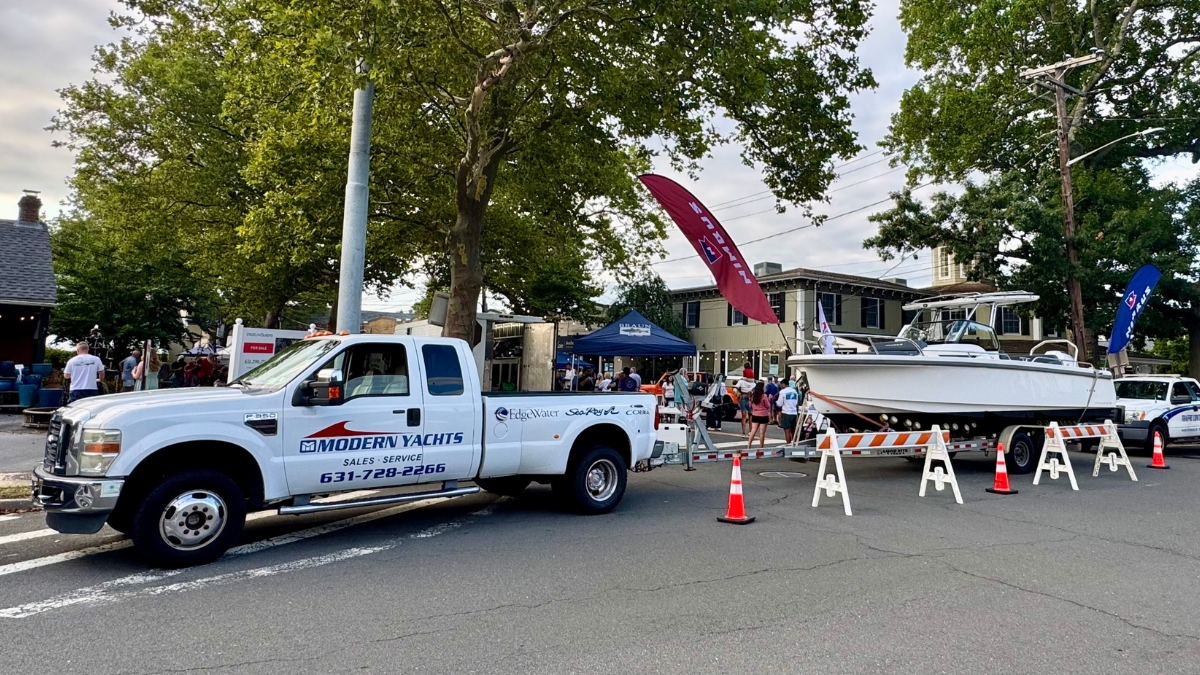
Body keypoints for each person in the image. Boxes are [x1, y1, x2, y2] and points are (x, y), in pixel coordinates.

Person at [746, 381, 771, 451]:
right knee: (762, 433)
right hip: (763, 415)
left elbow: (750, 405)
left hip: (755, 414)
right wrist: (769, 399)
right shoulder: (764, 396)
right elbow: (768, 405)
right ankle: (761, 447)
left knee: (753, 431)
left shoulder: (753, 396)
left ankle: (749, 446)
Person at [779, 377, 801, 445]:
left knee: (787, 430)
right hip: (794, 413)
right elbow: (797, 403)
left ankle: (788, 444)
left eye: (781, 385)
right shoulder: (794, 391)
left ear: (783, 384)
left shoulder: (782, 392)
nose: (780, 386)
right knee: (793, 430)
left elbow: (779, 403)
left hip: (786, 413)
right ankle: (794, 443)